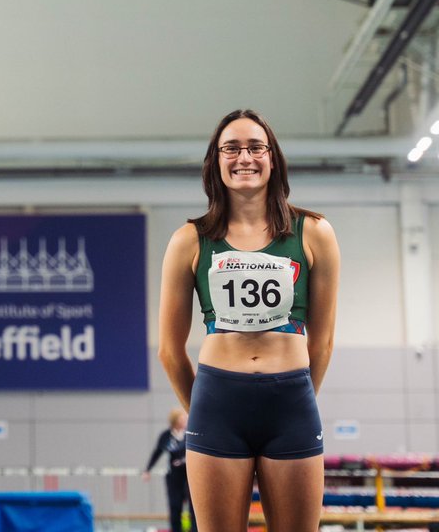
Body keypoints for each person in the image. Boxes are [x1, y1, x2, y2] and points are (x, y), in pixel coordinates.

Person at [158, 109, 340, 531]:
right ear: (215, 161)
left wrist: (294, 397)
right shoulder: (189, 240)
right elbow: (169, 349)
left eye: (256, 147)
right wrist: (204, 408)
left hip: (291, 402)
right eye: (231, 148)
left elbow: (323, 342)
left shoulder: (314, 232)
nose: (245, 157)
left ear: (272, 158)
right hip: (217, 402)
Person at [142, 408, 197, 532]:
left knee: (193, 507)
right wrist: (147, 470)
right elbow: (157, 453)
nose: (185, 421)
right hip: (174, 476)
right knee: (175, 506)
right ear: (175, 421)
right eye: (182, 418)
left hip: (189, 475)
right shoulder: (166, 435)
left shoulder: (190, 434)